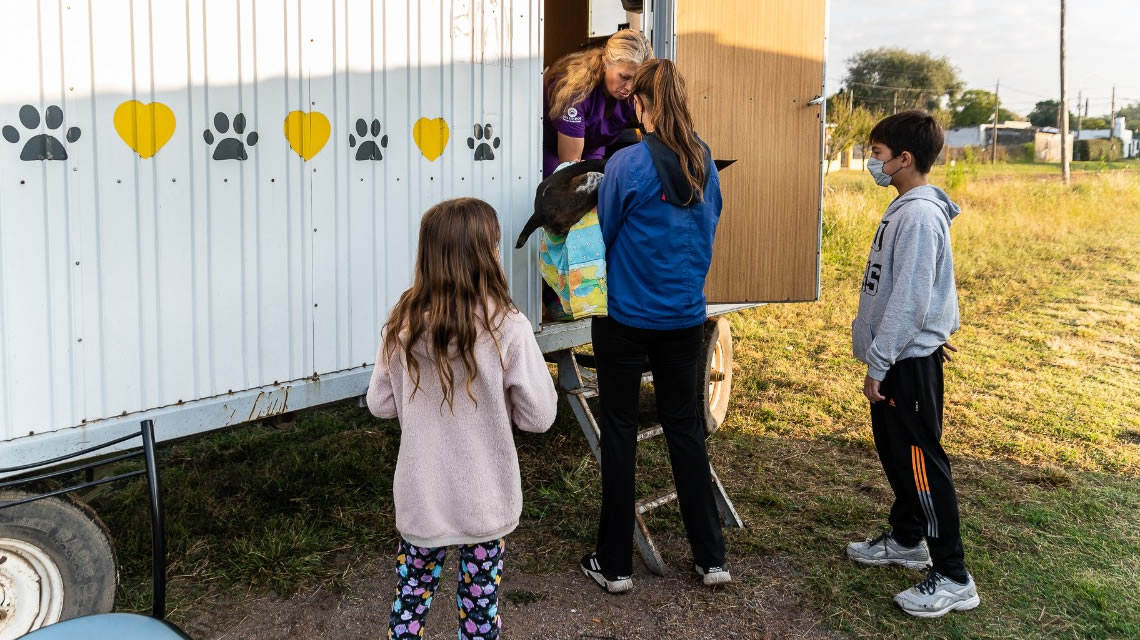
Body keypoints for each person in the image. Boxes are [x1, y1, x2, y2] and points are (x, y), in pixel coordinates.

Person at [366, 198, 558, 639]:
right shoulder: (508, 327)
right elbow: (540, 416)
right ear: (486, 255)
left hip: (421, 498)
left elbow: (380, 404)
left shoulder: (401, 326)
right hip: (485, 498)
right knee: (479, 612)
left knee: (409, 603)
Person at [580, 59, 728, 594]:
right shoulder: (704, 161)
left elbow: (608, 228)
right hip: (684, 318)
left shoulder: (626, 163)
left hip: (625, 319)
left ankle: (614, 565)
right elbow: (711, 222)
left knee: (619, 434)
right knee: (685, 429)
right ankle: (711, 558)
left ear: (642, 106)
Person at [847, 110, 980, 618]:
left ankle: (952, 574)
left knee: (923, 463)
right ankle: (908, 539)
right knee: (899, 454)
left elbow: (911, 301)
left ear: (905, 159)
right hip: (897, 356)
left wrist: (880, 361)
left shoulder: (920, 217)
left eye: (877, 155)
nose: (871, 163)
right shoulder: (905, 207)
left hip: (906, 360)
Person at [542, 29, 653, 178]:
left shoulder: (636, 90)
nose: (630, 88)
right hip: (550, 146)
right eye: (624, 77)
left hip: (593, 144)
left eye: (636, 80)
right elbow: (569, 167)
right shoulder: (575, 91)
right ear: (606, 62)